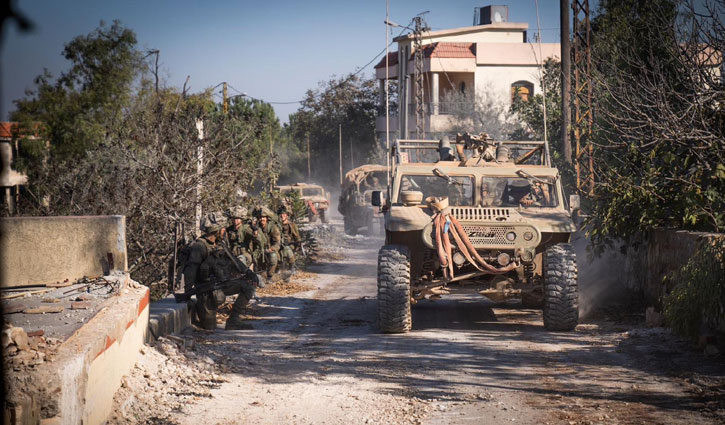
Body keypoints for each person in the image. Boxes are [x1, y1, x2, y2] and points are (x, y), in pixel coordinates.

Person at [182, 212, 261, 330]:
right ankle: (199, 308)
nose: (224, 231)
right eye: (222, 228)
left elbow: (234, 260)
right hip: (206, 290)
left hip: (220, 285)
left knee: (248, 286)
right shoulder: (200, 247)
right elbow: (190, 269)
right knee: (209, 327)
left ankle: (234, 321)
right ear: (215, 229)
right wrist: (187, 292)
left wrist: (249, 273)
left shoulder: (219, 244)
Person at [255, 206, 282, 280]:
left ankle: (270, 275)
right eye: (260, 217)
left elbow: (277, 243)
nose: (262, 219)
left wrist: (271, 248)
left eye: (264, 217)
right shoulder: (256, 227)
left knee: (273, 256)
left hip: (269, 250)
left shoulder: (273, 228)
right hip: (258, 251)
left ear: (267, 218)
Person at [278, 206, 301, 273]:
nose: (282, 216)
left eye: (284, 214)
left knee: (288, 250)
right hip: (279, 244)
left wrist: (297, 244)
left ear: (287, 215)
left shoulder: (292, 225)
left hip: (290, 244)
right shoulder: (277, 225)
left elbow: (297, 237)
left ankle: (291, 267)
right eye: (281, 214)